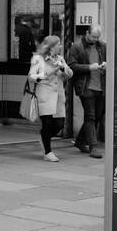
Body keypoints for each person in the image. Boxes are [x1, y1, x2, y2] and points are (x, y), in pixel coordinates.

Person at [28, 34, 73, 162]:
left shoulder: (60, 58)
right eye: (58, 44)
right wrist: (48, 73)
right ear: (52, 46)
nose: (61, 46)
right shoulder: (38, 59)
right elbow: (31, 77)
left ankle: (43, 136)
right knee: (47, 124)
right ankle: (48, 152)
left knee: (59, 125)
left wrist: (63, 67)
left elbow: (70, 74)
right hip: (45, 96)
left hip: (59, 97)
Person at [66, 23, 106, 158]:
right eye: (93, 37)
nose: (95, 40)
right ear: (87, 33)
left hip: (101, 86)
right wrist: (89, 67)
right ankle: (93, 147)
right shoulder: (77, 47)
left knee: (98, 116)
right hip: (85, 86)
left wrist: (106, 65)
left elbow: (111, 60)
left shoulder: (103, 46)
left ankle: (79, 141)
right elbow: (71, 66)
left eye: (98, 37)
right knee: (90, 116)